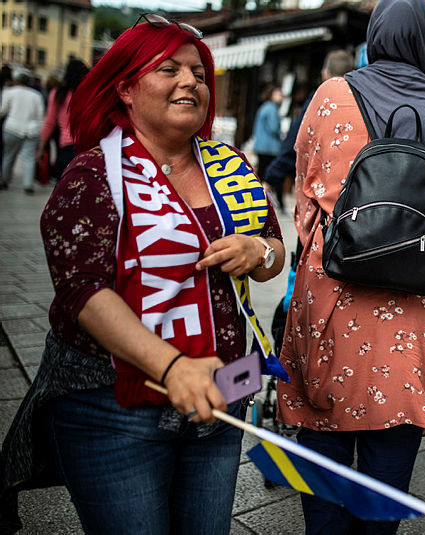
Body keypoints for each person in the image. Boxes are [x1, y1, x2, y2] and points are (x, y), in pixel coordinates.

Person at [0, 15, 285, 533]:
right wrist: (173, 368)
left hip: (221, 397)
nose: (190, 82)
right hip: (115, 405)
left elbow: (274, 254)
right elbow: (82, 293)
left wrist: (259, 250)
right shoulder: (93, 174)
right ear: (126, 88)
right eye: (168, 69)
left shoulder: (234, 168)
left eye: (198, 73)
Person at [277, 0, 425, 533]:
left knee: (322, 425)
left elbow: (304, 193)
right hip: (418, 295)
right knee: (396, 427)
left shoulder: (331, 94)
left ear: (374, 34)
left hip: (333, 288)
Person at [263, 50, 354, 196]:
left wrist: (272, 177)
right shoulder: (360, 100)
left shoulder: (319, 100)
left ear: (324, 74)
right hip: (354, 188)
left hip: (322, 190)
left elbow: (297, 141)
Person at [36, 59, 90, 183]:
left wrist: (41, 148)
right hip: (88, 146)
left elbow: (49, 122)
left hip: (67, 146)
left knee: (64, 186)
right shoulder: (89, 93)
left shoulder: (59, 93)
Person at [0, 68, 44, 193]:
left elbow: (3, 110)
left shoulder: (9, 92)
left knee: (8, 155)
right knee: (28, 157)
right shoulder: (36, 95)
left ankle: (5, 180)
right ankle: (28, 184)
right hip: (31, 130)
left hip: (12, 128)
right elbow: (40, 116)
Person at [254, 84, 284, 208]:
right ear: (272, 94)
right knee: (275, 173)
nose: (281, 97)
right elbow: (274, 128)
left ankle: (258, 199)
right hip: (270, 147)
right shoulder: (272, 109)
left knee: (261, 173)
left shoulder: (264, 107)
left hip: (262, 146)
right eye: (279, 94)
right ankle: (279, 202)